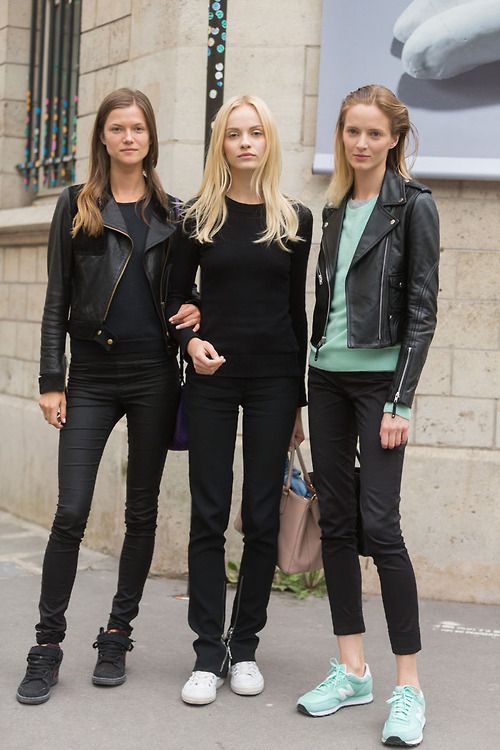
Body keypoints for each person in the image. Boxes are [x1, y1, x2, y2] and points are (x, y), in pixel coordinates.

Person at [16, 88, 200, 705]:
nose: (128, 138)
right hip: (91, 376)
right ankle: (46, 646)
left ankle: (117, 634)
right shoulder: (75, 204)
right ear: (102, 136)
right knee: (70, 512)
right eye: (117, 128)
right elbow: (57, 298)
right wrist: (52, 379)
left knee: (141, 513)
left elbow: (186, 292)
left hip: (154, 376)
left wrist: (197, 312)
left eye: (138, 128)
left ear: (151, 138)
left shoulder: (174, 213)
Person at [297, 85, 439, 747]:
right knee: (336, 523)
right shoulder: (333, 208)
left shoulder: (414, 206)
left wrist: (401, 400)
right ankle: (352, 670)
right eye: (352, 131)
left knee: (380, 528)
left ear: (394, 140)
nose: (361, 143)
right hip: (326, 380)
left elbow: (421, 310)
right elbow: (325, 306)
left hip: (381, 384)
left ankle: (409, 686)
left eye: (374, 133)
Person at [165, 94, 312, 706]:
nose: (245, 142)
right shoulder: (197, 217)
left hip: (274, 380)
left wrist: (298, 405)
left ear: (268, 142)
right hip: (213, 380)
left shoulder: (295, 218)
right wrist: (190, 342)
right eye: (234, 133)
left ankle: (245, 645)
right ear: (220, 144)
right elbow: (174, 300)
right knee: (208, 511)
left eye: (255, 133)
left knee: (260, 515)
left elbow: (297, 313)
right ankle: (207, 652)